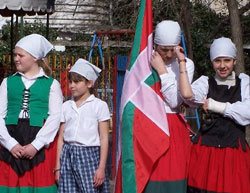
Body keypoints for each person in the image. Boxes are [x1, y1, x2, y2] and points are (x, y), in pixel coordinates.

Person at [179, 37, 250, 193]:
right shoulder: (205, 83)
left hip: (233, 153)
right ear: (212, 62)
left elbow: (247, 112)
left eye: (227, 60)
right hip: (206, 153)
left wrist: (216, 106)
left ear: (235, 61)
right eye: (218, 61)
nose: (223, 66)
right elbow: (188, 96)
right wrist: (182, 63)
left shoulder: (244, 83)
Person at [0, 34, 63, 192]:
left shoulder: (52, 84)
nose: (16, 59)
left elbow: (55, 118)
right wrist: (9, 143)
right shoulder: (7, 82)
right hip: (11, 136)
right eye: (15, 54)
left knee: (38, 184)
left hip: (38, 139)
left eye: (20, 55)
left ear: (35, 57)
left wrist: (36, 145)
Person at [146, 20, 194, 193]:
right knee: (150, 179)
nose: (167, 54)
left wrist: (162, 71)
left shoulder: (185, 64)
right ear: (155, 45)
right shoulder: (144, 61)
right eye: (163, 49)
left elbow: (175, 100)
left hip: (172, 126)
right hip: (149, 124)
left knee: (173, 176)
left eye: (171, 49)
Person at [55, 58, 110, 193]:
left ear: (89, 83)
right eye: (71, 81)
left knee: (90, 189)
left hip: (89, 155)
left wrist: (101, 168)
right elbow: (61, 138)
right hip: (68, 154)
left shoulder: (99, 106)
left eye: (77, 81)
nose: (72, 85)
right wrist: (58, 166)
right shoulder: (66, 106)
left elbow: (103, 138)